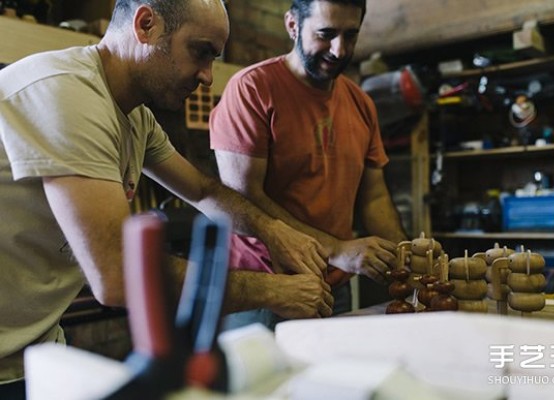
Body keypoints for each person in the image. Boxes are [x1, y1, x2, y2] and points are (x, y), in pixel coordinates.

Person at [0, 0, 333, 397]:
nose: (208, 77)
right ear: (145, 25)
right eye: (201, 51)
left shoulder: (134, 117)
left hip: (33, 350)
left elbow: (203, 190)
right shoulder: (67, 91)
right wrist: (273, 291)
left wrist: (274, 232)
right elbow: (118, 275)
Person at [209, 0, 408, 330]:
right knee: (264, 383)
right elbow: (243, 198)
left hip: (332, 287)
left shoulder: (361, 104)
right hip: (264, 288)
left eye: (350, 35)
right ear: (292, 25)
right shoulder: (252, 90)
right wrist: (339, 249)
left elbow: (373, 198)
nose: (339, 50)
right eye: (326, 34)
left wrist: (405, 256)